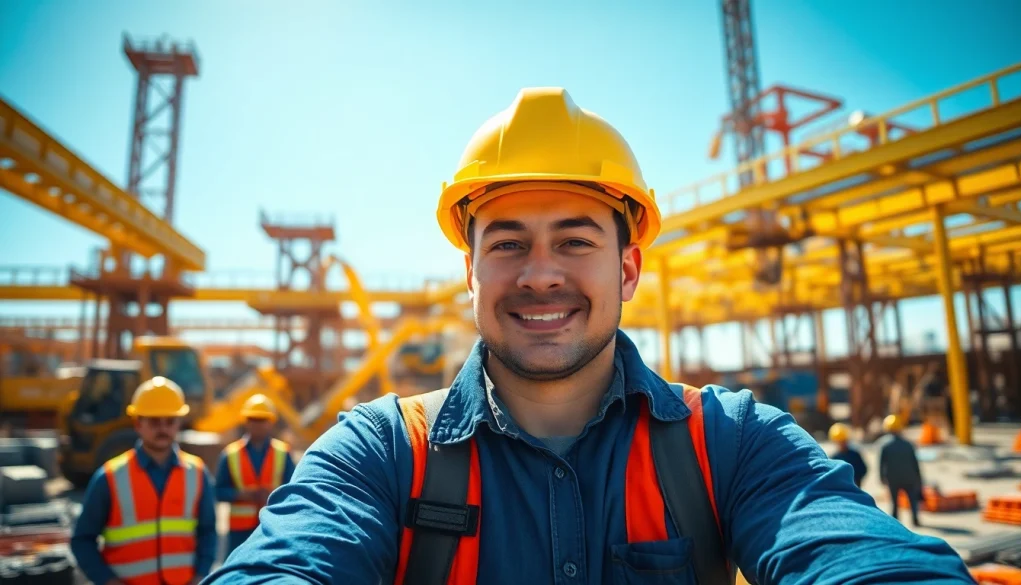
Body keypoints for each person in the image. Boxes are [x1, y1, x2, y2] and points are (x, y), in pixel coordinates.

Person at [204, 87, 973, 584]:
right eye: (507, 243)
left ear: (629, 269)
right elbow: (289, 563)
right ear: (470, 274)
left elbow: (859, 555)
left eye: (575, 241)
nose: (541, 275)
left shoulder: (730, 443)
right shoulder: (380, 452)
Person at [71, 376, 217, 585]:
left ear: (179, 423)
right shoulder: (110, 477)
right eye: (154, 421)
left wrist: (200, 576)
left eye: (170, 421)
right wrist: (108, 581)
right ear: (138, 423)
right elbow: (82, 540)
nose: (163, 428)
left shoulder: (197, 472)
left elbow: (208, 532)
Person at [214, 393, 296, 560]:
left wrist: (272, 494)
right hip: (239, 533)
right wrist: (240, 494)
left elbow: (293, 490)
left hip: (272, 527)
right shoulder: (230, 454)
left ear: (271, 422)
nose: (257, 424)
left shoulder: (283, 453)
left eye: (262, 420)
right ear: (246, 421)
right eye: (253, 419)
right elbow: (218, 491)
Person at [879, 414, 924, 527]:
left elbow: (881, 464)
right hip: (910, 477)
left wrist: (882, 478)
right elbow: (915, 463)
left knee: (894, 502)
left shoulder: (885, 445)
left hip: (893, 479)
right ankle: (915, 520)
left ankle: (895, 522)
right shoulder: (908, 444)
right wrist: (919, 478)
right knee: (912, 500)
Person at [828, 422, 867, 488]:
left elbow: (863, 469)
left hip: (855, 487)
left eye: (843, 441)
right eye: (839, 442)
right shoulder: (834, 457)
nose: (841, 444)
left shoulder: (855, 455)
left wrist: (856, 479)